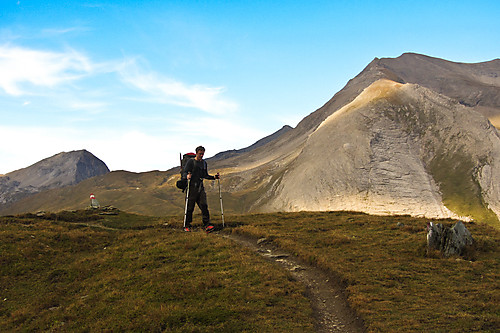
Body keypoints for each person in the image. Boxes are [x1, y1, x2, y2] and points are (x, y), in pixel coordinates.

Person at [182, 146, 220, 232]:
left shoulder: (204, 163)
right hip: (191, 187)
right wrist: (186, 176)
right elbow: (185, 172)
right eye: (200, 154)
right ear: (196, 153)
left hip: (200, 187)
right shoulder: (191, 162)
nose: (201, 155)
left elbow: (205, 175)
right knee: (190, 207)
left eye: (203, 154)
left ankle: (207, 224)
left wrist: (214, 177)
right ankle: (187, 225)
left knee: (204, 205)